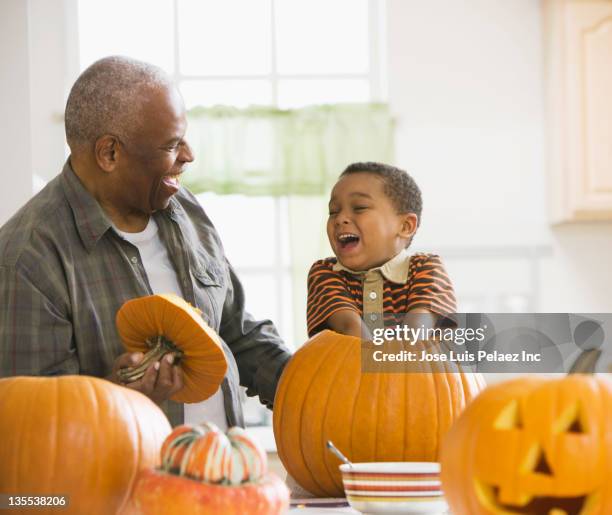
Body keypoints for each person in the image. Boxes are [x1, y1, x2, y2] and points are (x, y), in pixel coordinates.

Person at [0, 56, 291, 428]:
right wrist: (121, 398)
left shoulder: (185, 210)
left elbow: (235, 331)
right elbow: (30, 426)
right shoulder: (28, 257)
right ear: (110, 153)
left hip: (225, 477)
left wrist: (310, 381)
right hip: (126, 485)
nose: (188, 156)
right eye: (171, 145)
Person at [307, 162, 456, 338]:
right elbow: (351, 328)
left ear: (405, 226)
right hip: (352, 364)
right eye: (333, 211)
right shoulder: (325, 272)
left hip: (415, 363)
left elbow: (417, 332)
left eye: (360, 208)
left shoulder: (426, 268)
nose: (340, 219)